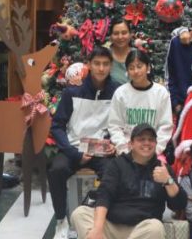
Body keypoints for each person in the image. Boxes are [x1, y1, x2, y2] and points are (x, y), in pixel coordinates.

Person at [50, 46, 121, 239]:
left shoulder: (117, 92)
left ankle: (103, 219)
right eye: (97, 63)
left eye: (105, 64)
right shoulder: (72, 92)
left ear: (111, 66)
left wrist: (113, 143)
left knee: (112, 173)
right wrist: (74, 154)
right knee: (57, 170)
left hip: (101, 149)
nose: (101, 68)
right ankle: (61, 220)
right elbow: (57, 126)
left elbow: (119, 123)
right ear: (89, 65)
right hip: (74, 148)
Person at [72, 124, 187, 239]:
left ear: (156, 144)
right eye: (141, 139)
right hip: (111, 226)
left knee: (155, 227)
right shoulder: (117, 164)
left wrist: (168, 181)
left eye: (151, 140)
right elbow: (104, 196)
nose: (146, 143)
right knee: (80, 213)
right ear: (130, 144)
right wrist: (97, 229)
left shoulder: (163, 169)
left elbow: (179, 205)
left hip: (141, 230)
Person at [108, 49, 173, 158]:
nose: (136, 71)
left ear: (148, 68)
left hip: (153, 151)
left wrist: (155, 150)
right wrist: (124, 149)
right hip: (127, 152)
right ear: (127, 71)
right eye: (131, 68)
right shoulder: (120, 93)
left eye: (139, 66)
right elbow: (114, 126)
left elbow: (165, 126)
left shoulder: (161, 93)